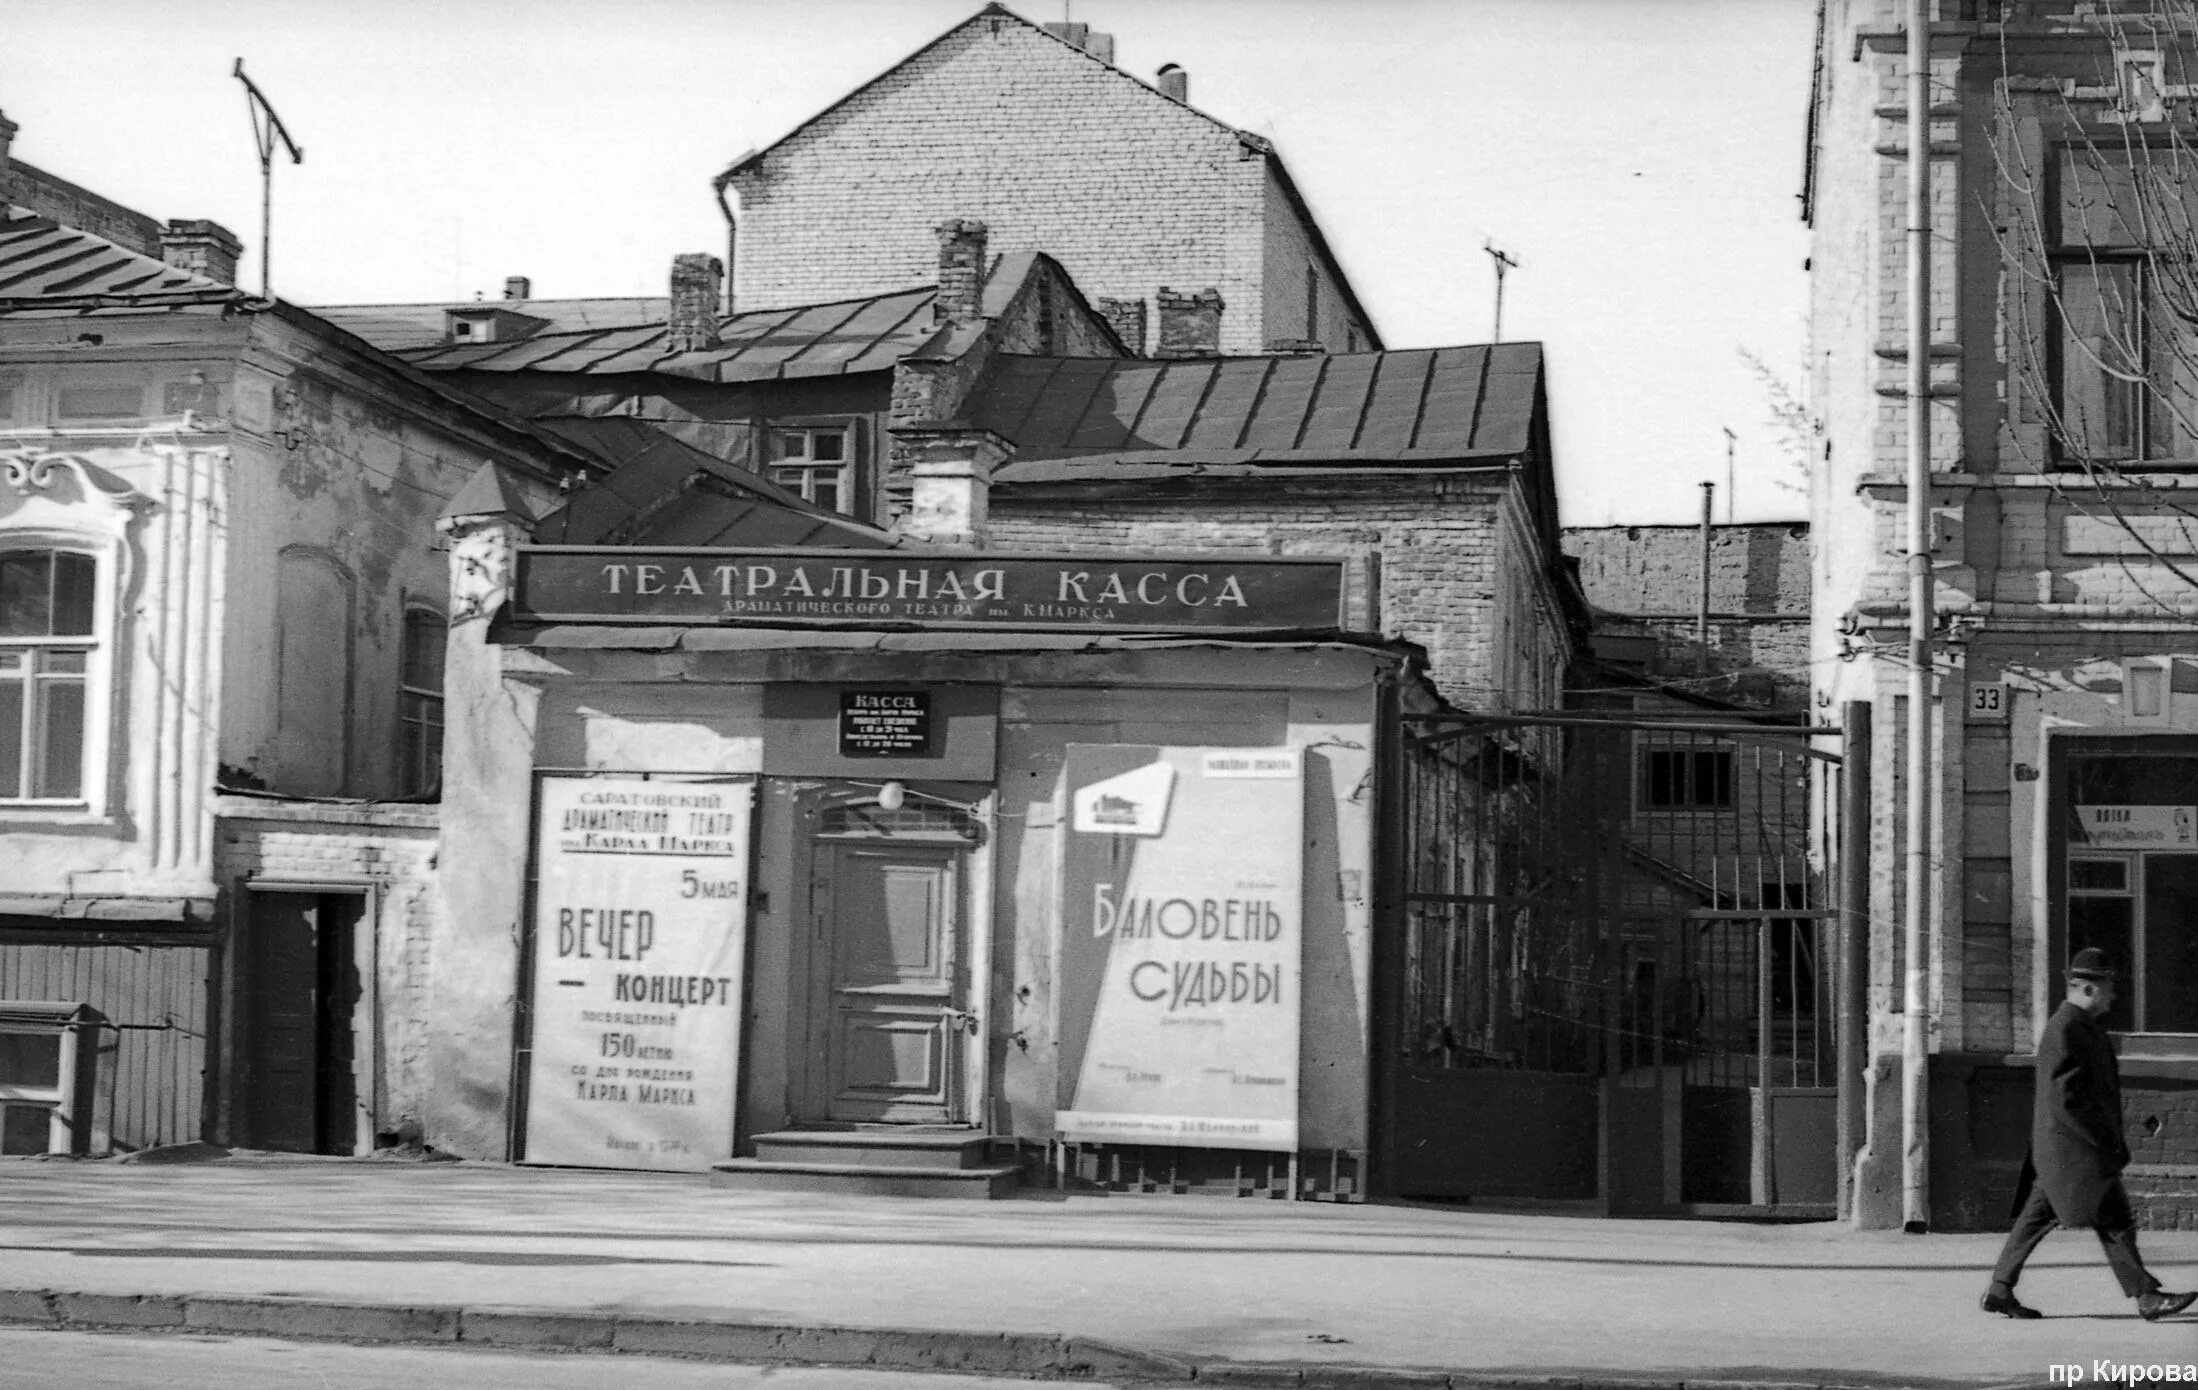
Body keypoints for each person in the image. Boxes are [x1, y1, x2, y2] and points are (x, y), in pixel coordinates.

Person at [1981, 949, 2195, 1321]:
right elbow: (2066, 1099)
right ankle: (2146, 1296)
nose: (2113, 997)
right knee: (2114, 1219)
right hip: (2077, 1149)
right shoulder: (2066, 1028)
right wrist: (2103, 1142)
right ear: (2089, 989)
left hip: (2066, 1151)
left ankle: (2000, 1289)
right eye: (2108, 989)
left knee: (2035, 1218)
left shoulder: (2081, 1027)